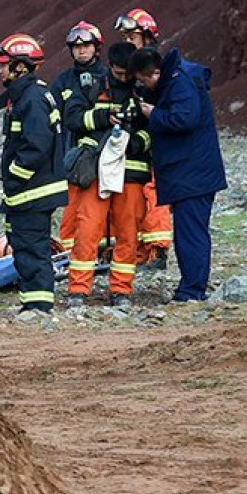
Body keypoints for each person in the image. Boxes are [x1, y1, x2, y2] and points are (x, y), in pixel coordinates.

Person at [129, 47, 227, 302]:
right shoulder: (175, 80)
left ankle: (192, 291)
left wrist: (154, 114)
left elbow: (185, 118)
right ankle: (191, 287)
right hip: (191, 172)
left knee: (190, 234)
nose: (144, 84)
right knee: (189, 233)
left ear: (155, 73)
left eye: (144, 80)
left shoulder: (180, 82)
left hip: (193, 174)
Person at [63, 41, 149, 309]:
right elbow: (72, 118)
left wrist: (137, 142)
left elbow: (155, 128)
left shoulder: (143, 91)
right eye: (119, 73)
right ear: (109, 66)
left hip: (131, 172)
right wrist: (103, 118)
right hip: (96, 171)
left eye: (128, 74)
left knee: (128, 232)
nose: (123, 78)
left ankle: (121, 290)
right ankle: (78, 289)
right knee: (88, 229)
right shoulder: (91, 86)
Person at [0, 33, 68, 314]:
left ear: (20, 66)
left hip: (33, 190)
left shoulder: (32, 98)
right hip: (28, 191)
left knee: (32, 246)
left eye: (3, 64)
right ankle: (32, 301)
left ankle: (39, 305)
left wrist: (14, 176)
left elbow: (36, 145)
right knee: (24, 244)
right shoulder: (28, 94)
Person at [116, 7, 173, 269]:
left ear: (146, 36)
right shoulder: (131, 68)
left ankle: (158, 251)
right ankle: (140, 250)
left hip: (156, 141)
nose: (127, 42)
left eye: (131, 36)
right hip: (137, 142)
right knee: (135, 196)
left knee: (153, 194)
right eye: (124, 37)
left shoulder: (156, 68)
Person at [49, 21, 107, 252]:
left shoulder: (108, 77)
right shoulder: (63, 81)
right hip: (71, 154)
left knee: (101, 204)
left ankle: (101, 249)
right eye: (76, 46)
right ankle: (69, 251)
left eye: (86, 45)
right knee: (72, 206)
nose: (81, 50)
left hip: (104, 153)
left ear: (96, 47)